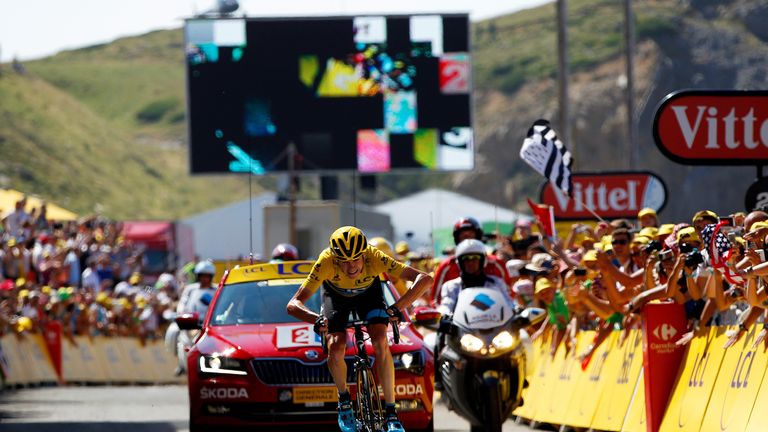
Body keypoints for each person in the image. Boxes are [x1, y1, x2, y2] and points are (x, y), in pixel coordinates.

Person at [286, 226, 433, 432]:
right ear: (335, 258)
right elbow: (293, 304)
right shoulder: (325, 261)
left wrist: (397, 308)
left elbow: (425, 279)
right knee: (336, 346)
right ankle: (345, 401)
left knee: (381, 339)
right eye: (344, 261)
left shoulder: (375, 256)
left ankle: (391, 412)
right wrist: (316, 319)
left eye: (356, 259)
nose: (351, 266)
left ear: (364, 254)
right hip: (336, 298)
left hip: (368, 295)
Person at [431, 217, 511, 304]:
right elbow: (436, 301)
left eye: (471, 234)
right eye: (463, 235)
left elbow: (508, 296)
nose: (471, 262)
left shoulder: (496, 270)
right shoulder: (447, 269)